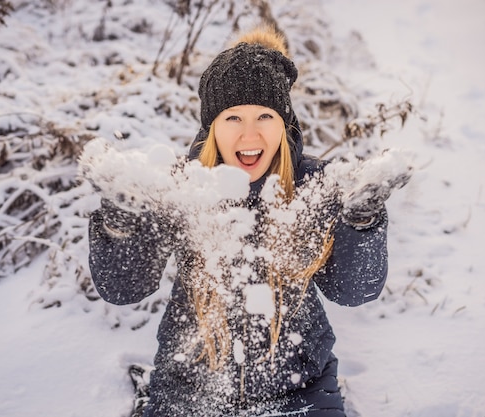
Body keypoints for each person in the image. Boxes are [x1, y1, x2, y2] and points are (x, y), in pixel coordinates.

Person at [87, 26, 405, 417]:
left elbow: (354, 290)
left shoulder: (314, 184)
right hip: (189, 388)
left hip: (300, 389)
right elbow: (122, 288)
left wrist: (361, 223)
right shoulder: (183, 185)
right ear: (212, 127)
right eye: (233, 116)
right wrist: (121, 223)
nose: (249, 133)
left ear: (283, 123)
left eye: (264, 116)